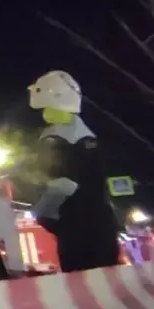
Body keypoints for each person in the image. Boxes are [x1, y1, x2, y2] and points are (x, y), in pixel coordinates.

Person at [27, 70, 120, 272]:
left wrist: (42, 212)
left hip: (76, 227)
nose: (43, 112)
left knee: (81, 281)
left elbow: (62, 185)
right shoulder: (89, 136)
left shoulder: (56, 138)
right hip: (103, 225)